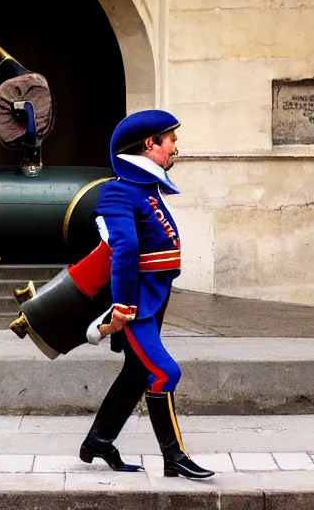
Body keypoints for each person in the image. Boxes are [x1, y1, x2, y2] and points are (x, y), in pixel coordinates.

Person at [79, 109, 215, 479]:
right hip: (135, 304)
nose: (175, 146)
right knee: (165, 372)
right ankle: (174, 458)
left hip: (153, 300)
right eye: (169, 139)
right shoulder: (119, 193)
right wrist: (121, 308)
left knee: (137, 373)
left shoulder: (144, 190)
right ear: (149, 145)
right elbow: (124, 250)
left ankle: (98, 442)